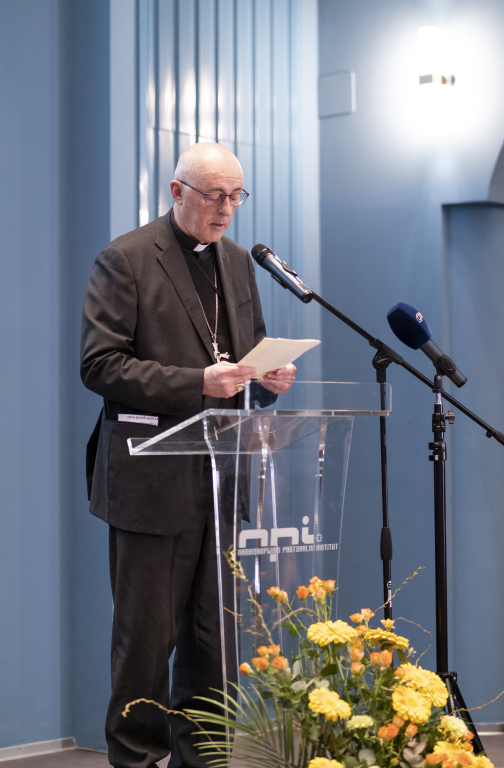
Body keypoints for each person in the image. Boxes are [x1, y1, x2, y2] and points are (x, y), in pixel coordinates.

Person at [81, 142, 296, 768]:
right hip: (151, 481)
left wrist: (267, 379)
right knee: (145, 647)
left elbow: (245, 358)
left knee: (215, 645)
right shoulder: (125, 259)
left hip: (222, 480)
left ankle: (205, 760)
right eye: (214, 196)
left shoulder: (239, 263)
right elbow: (101, 365)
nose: (226, 209)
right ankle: (135, 760)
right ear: (178, 192)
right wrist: (196, 382)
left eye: (236, 196)